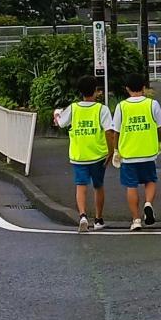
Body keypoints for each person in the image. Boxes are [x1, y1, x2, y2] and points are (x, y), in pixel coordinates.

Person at [107, 70, 161, 230]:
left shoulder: (122, 107)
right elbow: (159, 127)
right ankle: (148, 203)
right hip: (148, 152)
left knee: (131, 186)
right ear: (143, 87)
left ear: (127, 88)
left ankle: (136, 220)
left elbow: (115, 132)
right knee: (150, 181)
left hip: (128, 154)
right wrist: (158, 142)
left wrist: (116, 150)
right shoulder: (153, 104)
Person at [53, 74, 110, 229]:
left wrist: (57, 114)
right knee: (98, 186)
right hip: (98, 154)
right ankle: (98, 219)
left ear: (80, 92)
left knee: (81, 186)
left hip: (79, 155)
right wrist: (112, 152)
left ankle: (83, 216)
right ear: (96, 91)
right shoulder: (102, 109)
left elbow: (61, 123)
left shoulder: (73, 108)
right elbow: (109, 131)